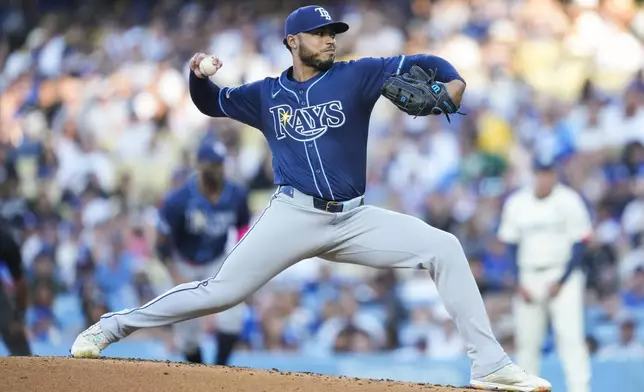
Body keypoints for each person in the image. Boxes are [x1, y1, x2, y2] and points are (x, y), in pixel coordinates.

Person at [72, 5, 551, 391]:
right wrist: (197, 73)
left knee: (443, 246)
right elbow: (209, 102)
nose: (330, 39)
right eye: (320, 33)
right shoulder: (265, 94)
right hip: (294, 213)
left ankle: (489, 366)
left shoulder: (357, 74)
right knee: (221, 292)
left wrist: (454, 81)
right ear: (292, 41)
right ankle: (111, 327)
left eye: (333, 32)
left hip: (353, 218)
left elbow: (425, 63)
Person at [497, 155, 592, 392]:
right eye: (540, 173)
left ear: (555, 175)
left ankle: (579, 389)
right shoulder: (518, 202)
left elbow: (580, 243)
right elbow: (510, 245)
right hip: (529, 276)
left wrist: (562, 280)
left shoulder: (569, 200)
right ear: (534, 174)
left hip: (563, 275)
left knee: (570, 339)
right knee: (527, 342)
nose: (544, 178)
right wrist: (518, 281)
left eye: (548, 173)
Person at [154, 140, 250, 365]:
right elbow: (161, 244)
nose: (215, 169)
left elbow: (244, 227)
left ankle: (218, 371)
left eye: (219, 164)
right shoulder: (178, 200)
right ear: (198, 166)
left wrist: (240, 257)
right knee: (187, 329)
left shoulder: (236, 194)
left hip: (217, 259)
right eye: (210, 164)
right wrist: (175, 273)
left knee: (233, 313)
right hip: (184, 263)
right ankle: (198, 376)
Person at [0, 156, 31, 356]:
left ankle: (28, 379)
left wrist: (18, 318)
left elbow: (20, 283)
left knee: (18, 343)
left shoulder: (5, 241)